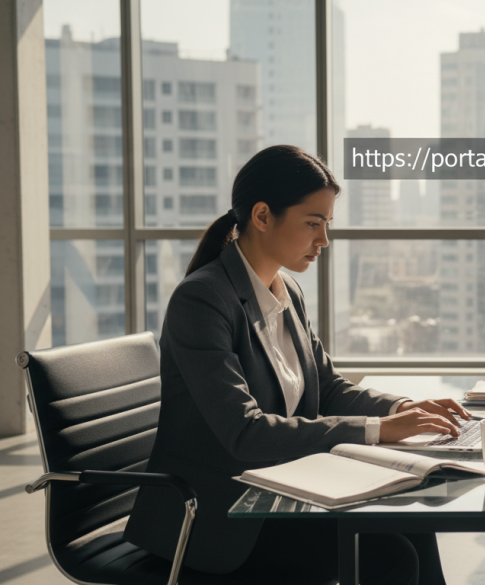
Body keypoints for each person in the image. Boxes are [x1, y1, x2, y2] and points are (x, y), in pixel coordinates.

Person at [124, 145, 467, 584]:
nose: (324, 240)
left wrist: (401, 410)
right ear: (262, 216)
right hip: (218, 519)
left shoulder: (286, 290)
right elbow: (245, 433)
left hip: (280, 490)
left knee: (411, 524)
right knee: (388, 556)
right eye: (313, 223)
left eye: (327, 224)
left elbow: (325, 387)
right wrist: (378, 431)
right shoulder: (203, 300)